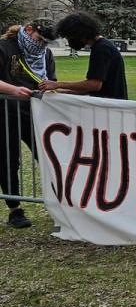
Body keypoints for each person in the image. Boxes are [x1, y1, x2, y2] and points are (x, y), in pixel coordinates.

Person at [0, 20, 57, 229]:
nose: (41, 45)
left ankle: (60, 204)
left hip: (35, 113)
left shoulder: (45, 55)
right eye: (39, 39)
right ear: (29, 30)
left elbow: (51, 79)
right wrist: (13, 90)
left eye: (46, 42)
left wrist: (49, 88)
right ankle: (14, 209)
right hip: (5, 111)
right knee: (9, 159)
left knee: (47, 156)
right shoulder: (5, 47)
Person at [38, 12, 128, 100]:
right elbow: (95, 88)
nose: (69, 41)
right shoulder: (103, 46)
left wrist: (57, 84)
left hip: (110, 109)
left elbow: (94, 85)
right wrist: (61, 93)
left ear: (79, 34)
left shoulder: (101, 49)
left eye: (69, 37)